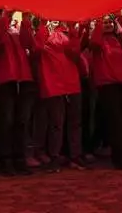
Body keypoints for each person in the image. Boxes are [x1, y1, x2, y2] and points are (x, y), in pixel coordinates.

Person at [0, 9, 37, 176]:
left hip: (24, 80)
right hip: (5, 81)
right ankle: (5, 160)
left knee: (21, 122)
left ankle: (20, 159)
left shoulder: (17, 32)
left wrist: (26, 19)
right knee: (6, 122)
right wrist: (5, 18)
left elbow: (29, 43)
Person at [32, 17, 85, 171]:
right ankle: (54, 158)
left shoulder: (66, 33)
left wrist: (72, 28)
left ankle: (75, 157)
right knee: (56, 124)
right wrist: (42, 24)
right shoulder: (42, 35)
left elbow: (75, 52)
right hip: (53, 85)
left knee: (75, 123)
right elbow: (37, 49)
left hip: (71, 83)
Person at [88, 11, 122, 169]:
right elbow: (93, 42)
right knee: (115, 121)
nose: (107, 25)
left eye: (110, 22)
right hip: (107, 85)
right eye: (105, 23)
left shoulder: (120, 40)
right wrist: (99, 21)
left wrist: (120, 15)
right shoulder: (97, 42)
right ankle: (119, 157)